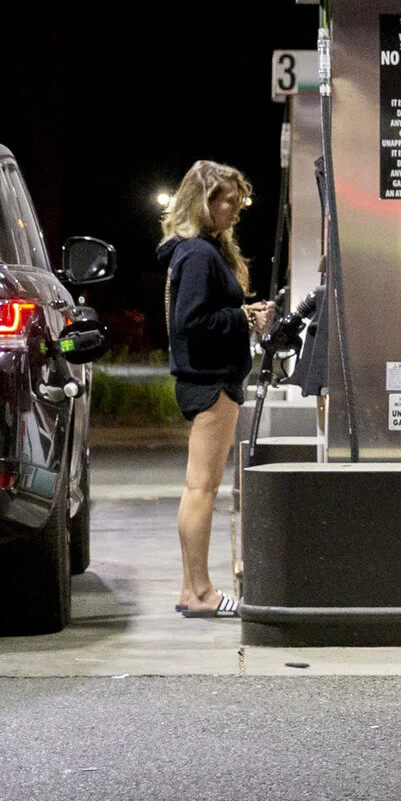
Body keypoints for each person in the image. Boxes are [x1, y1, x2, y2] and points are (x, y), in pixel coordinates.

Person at [156, 160, 273, 617]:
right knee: (202, 489)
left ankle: (192, 590)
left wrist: (240, 311)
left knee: (197, 488)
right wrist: (243, 316)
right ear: (204, 202)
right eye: (228, 200)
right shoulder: (200, 255)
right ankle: (201, 592)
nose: (236, 209)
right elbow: (192, 322)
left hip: (201, 380)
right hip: (211, 382)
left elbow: (195, 316)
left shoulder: (190, 252)